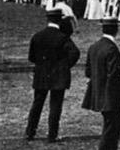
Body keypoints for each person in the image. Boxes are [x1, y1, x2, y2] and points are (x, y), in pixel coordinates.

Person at [26, 9, 81, 142]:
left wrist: (41, 64)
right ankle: (52, 134)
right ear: (59, 20)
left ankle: (30, 132)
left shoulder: (37, 36)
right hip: (58, 75)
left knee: (37, 103)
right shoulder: (63, 37)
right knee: (55, 105)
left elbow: (31, 57)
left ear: (48, 20)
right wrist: (65, 66)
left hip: (42, 74)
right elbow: (75, 53)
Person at [83, 18, 120, 150]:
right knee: (111, 127)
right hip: (111, 94)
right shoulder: (111, 49)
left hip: (99, 93)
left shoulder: (94, 47)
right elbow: (114, 74)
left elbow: (88, 72)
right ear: (116, 30)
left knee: (113, 125)